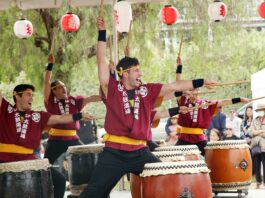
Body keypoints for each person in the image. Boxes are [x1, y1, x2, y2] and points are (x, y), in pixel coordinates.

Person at [78, 17, 217, 198]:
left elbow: (173, 86)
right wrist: (102, 33)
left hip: (140, 153)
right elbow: (101, 61)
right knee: (93, 193)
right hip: (113, 153)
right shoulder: (112, 89)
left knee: (166, 181)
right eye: (136, 70)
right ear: (124, 73)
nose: (140, 73)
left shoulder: (146, 91)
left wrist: (201, 81)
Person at [0, 84, 95, 198]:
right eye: (28, 94)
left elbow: (59, 118)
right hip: (4, 158)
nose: (32, 98)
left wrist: (79, 115)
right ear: (17, 96)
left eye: (32, 95)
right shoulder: (6, 110)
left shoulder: (38, 116)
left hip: (30, 159)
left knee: (59, 180)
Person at [43, 54, 101, 165]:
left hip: (73, 138)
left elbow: (90, 99)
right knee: (45, 165)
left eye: (64, 86)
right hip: (56, 139)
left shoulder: (74, 100)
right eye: (60, 86)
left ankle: (86, 181)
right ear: (53, 91)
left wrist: (105, 97)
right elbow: (46, 82)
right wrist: (50, 65)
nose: (64, 88)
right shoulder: (50, 101)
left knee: (87, 157)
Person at [249, 103, 265, 189]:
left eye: (261, 110)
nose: (260, 112)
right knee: (256, 165)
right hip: (255, 145)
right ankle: (258, 182)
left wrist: (257, 132)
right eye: (259, 111)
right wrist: (261, 131)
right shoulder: (255, 120)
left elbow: (255, 132)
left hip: (264, 146)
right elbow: (251, 133)